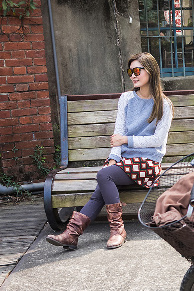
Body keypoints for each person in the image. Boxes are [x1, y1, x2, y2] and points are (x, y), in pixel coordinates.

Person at [47, 52, 173, 251]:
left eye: (137, 70)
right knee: (105, 179)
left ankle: (111, 231)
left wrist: (127, 141)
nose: (133, 75)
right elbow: (118, 134)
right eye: (130, 71)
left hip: (148, 162)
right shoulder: (126, 99)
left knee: (104, 176)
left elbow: (157, 141)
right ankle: (75, 234)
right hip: (124, 161)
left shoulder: (164, 104)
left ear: (151, 71)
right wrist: (114, 157)